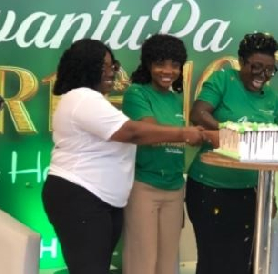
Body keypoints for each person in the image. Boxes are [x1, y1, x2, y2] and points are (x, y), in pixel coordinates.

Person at [41, 38, 204, 274]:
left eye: (113, 66)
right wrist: (184, 133)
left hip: (98, 199)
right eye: (106, 67)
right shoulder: (83, 98)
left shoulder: (92, 99)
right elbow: (133, 132)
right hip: (81, 196)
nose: (112, 72)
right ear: (87, 67)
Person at [186, 32, 278, 274]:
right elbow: (198, 114)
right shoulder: (223, 79)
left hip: (250, 193)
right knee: (213, 260)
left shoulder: (272, 99)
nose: (262, 76)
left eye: (269, 70)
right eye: (256, 67)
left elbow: (270, 148)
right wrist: (233, 133)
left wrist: (269, 197)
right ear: (241, 61)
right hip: (210, 187)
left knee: (244, 262)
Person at [121, 34, 188, 274]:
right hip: (144, 185)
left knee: (168, 263)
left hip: (174, 187)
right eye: (160, 63)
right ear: (149, 64)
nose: (167, 71)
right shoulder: (136, 93)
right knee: (143, 262)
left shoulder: (176, 99)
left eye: (175, 64)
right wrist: (186, 134)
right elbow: (148, 132)